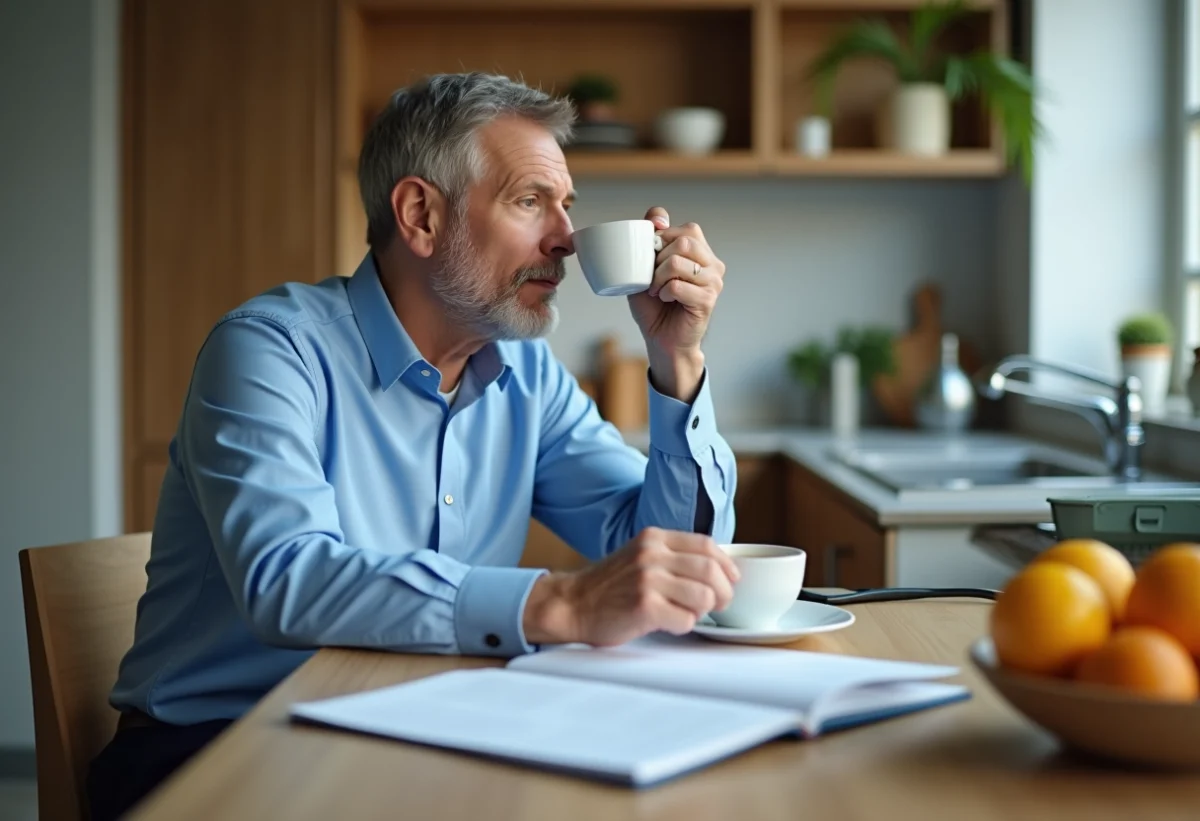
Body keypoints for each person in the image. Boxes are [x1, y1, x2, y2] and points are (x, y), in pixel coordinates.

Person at [87, 72, 738, 820]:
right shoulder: (269, 351)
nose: (565, 238)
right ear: (421, 215)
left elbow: (672, 562)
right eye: (530, 201)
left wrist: (677, 360)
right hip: (217, 746)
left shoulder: (528, 376)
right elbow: (287, 578)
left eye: (566, 205)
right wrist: (558, 602)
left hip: (421, 728)